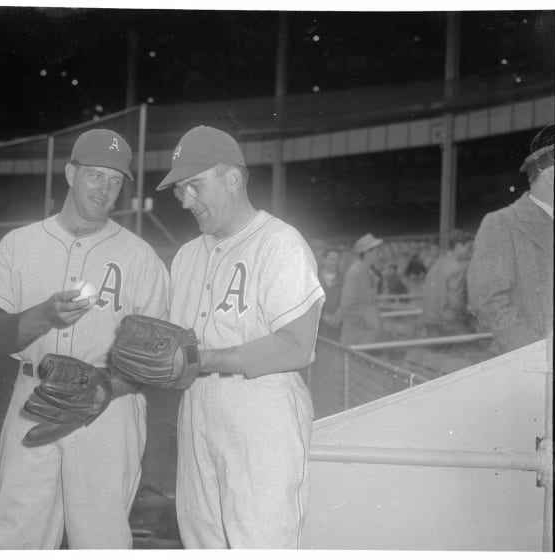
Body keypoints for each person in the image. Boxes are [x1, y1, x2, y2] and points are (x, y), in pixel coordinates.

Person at [0, 129, 170, 549]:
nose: (105, 189)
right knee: (19, 535)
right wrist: (43, 316)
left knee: (103, 539)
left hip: (109, 406)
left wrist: (107, 389)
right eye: (95, 175)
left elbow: (157, 356)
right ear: (70, 173)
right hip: (34, 395)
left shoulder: (140, 256)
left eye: (115, 181)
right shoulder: (20, 245)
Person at [155, 126, 324, 548]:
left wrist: (202, 361)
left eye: (194, 186)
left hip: (262, 410)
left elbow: (296, 346)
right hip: (196, 409)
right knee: (202, 541)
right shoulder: (187, 256)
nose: (185, 201)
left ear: (232, 179)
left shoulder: (280, 244)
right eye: (179, 190)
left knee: (260, 543)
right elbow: (180, 351)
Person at [467, 124, 554, 355]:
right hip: (530, 364)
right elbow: (490, 303)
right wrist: (536, 352)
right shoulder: (502, 223)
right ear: (552, 177)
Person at [420, 229, 474, 337]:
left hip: (430, 322)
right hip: (448, 325)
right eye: (468, 248)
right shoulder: (458, 268)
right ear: (458, 247)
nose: (470, 252)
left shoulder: (436, 264)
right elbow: (456, 303)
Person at [336, 233, 385, 346]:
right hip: (357, 336)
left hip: (368, 335)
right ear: (367, 253)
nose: (379, 255)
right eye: (377, 252)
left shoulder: (369, 273)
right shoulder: (354, 273)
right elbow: (347, 305)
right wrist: (363, 323)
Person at [318, 246, 344, 340]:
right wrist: (324, 316)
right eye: (332, 259)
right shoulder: (314, 280)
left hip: (339, 328)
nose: (335, 262)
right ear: (323, 260)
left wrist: (339, 315)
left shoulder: (344, 280)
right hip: (319, 331)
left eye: (337, 259)